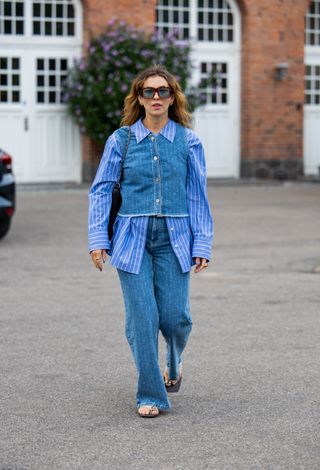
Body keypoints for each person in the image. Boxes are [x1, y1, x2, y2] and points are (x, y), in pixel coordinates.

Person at [88, 65, 213, 418]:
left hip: (175, 239)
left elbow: (197, 195)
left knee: (175, 319)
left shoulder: (189, 141)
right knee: (143, 318)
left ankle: (174, 362)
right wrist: (98, 238)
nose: (156, 97)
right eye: (148, 91)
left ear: (173, 97)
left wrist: (202, 242)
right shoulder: (121, 140)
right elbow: (100, 190)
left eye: (163, 91)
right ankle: (151, 394)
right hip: (131, 240)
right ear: (139, 98)